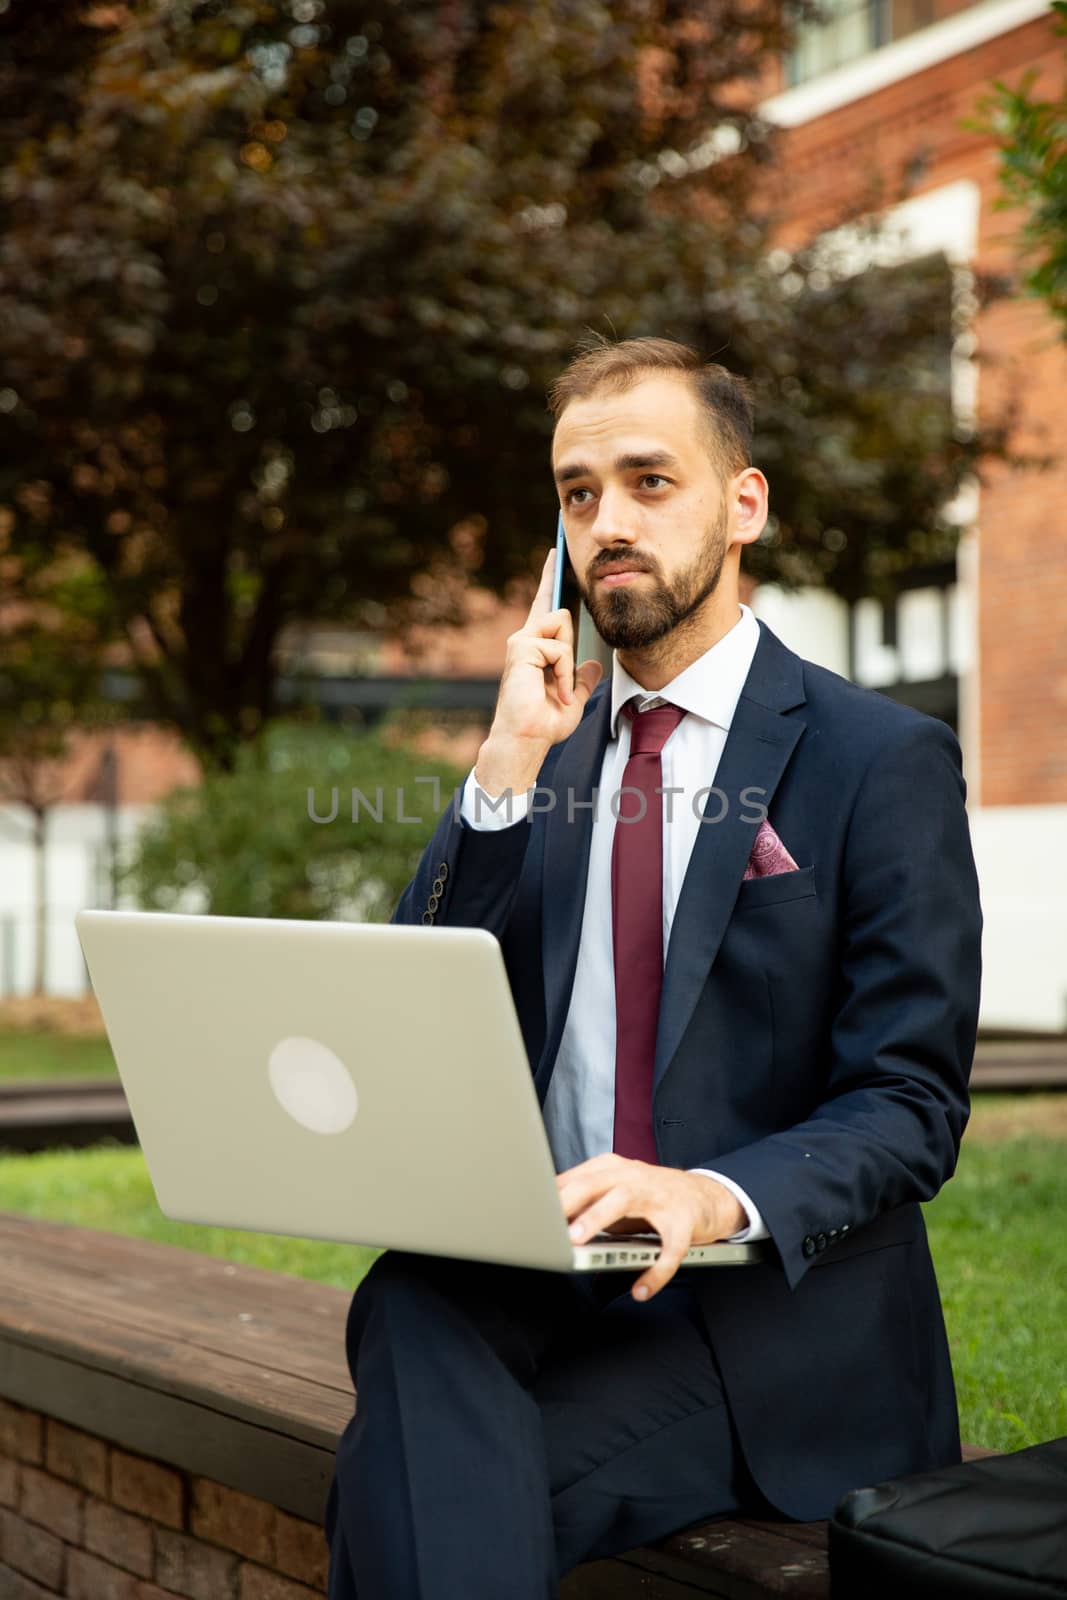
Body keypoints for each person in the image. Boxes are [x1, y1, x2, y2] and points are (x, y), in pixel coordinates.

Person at [324, 335, 983, 1599]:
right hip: (553, 1276)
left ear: (744, 504)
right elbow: (419, 1006)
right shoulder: (553, 752)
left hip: (757, 1324)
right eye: (577, 494)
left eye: (646, 481)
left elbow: (910, 1103)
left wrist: (704, 1191)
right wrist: (502, 770)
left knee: (393, 1491)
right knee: (409, 1295)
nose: (605, 523)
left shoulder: (875, 757)